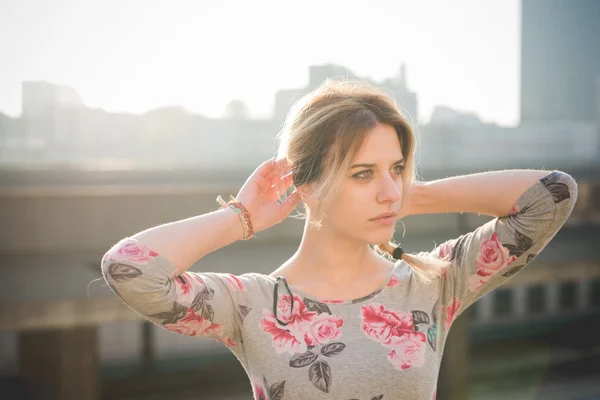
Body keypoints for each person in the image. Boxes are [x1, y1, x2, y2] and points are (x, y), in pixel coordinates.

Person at [100, 79, 578, 400]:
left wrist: (410, 194)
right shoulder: (254, 305)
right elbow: (131, 268)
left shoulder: (433, 281)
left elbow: (552, 195)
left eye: (395, 169)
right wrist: (242, 218)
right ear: (306, 185)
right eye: (362, 173)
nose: (387, 191)